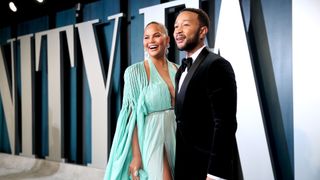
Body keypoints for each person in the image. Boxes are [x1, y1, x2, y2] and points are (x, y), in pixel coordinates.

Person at [104, 21, 177, 180]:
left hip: (177, 134)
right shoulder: (134, 72)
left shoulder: (178, 70)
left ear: (167, 40)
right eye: (146, 37)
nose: (151, 41)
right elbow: (131, 118)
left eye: (157, 35)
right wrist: (136, 156)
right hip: (151, 135)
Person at [173, 8, 238, 180]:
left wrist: (216, 173)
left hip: (208, 169)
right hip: (185, 165)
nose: (178, 31)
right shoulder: (180, 71)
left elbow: (225, 123)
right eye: (175, 26)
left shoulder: (217, 65)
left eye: (185, 25)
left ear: (202, 31)